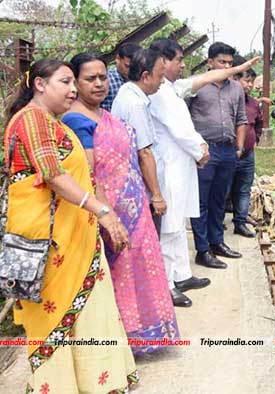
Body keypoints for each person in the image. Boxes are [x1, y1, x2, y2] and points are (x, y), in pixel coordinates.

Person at [4, 59, 136, 392]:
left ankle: (95, 382)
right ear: (39, 84)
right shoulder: (32, 120)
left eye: (72, 83)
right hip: (51, 241)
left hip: (76, 234)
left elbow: (83, 176)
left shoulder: (54, 122)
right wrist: (102, 211)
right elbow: (53, 175)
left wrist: (103, 213)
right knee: (55, 314)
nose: (73, 89)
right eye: (65, 82)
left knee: (89, 310)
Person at [62, 53, 180, 348]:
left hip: (134, 209)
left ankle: (143, 336)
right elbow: (88, 174)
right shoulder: (76, 120)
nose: (99, 84)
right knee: (116, 276)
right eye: (90, 79)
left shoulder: (104, 115)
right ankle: (120, 343)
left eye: (103, 77)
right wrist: (107, 215)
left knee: (139, 270)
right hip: (107, 214)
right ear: (76, 82)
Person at [148, 39, 259, 307]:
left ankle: (182, 275)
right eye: (178, 60)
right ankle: (169, 282)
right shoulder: (158, 92)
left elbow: (214, 79)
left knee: (183, 219)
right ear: (162, 62)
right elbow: (179, 128)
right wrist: (201, 151)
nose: (182, 64)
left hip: (190, 161)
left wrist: (239, 68)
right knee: (173, 224)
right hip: (173, 166)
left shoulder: (174, 87)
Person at [188, 42, 247, 269]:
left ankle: (217, 242)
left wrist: (238, 148)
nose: (226, 66)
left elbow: (241, 119)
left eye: (230, 63)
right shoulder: (196, 86)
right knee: (200, 201)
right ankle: (202, 250)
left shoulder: (236, 88)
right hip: (204, 149)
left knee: (219, 200)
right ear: (210, 61)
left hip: (227, 150)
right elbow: (183, 119)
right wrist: (195, 148)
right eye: (222, 62)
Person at [111, 48, 168, 237]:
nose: (163, 81)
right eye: (160, 76)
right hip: (142, 191)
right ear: (145, 76)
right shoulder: (135, 104)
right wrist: (157, 196)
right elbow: (144, 153)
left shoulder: (128, 95)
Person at [229, 66, 262, 238]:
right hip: (228, 153)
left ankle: (240, 222)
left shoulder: (253, 104)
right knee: (223, 189)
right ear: (236, 80)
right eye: (247, 81)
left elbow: (259, 124)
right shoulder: (227, 101)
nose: (250, 85)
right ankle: (217, 223)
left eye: (252, 82)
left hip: (247, 155)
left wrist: (253, 140)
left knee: (244, 189)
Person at [101, 42, 140, 111]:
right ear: (118, 58)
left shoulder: (141, 80)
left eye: (135, 67)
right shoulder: (106, 79)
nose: (131, 71)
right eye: (127, 66)